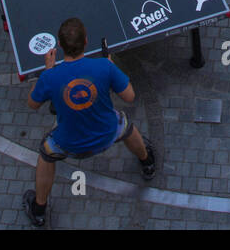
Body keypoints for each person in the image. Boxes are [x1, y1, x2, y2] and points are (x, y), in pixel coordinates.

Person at [23, 18, 157, 227]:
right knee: (127, 127)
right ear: (86, 41)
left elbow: (32, 104)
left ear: (59, 46)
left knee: (45, 155)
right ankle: (147, 163)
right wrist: (112, 69)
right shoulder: (104, 66)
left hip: (69, 145)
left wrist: (47, 71)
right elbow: (130, 96)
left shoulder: (50, 77)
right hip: (108, 134)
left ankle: (39, 209)